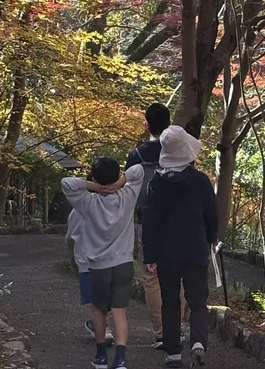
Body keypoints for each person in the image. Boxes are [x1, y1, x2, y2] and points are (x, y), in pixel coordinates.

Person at [143, 126, 218, 369]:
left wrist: (149, 255)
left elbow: (150, 221)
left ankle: (173, 352)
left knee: (171, 301)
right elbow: (211, 214)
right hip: (195, 247)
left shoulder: (156, 183)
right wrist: (211, 238)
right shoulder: (200, 180)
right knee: (197, 300)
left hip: (166, 252)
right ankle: (198, 343)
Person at [62, 158, 144, 369]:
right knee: (120, 311)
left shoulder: (87, 203)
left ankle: (100, 356)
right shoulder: (128, 197)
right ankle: (121, 358)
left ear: (95, 177)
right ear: (117, 175)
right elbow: (138, 170)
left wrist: (94, 186)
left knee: (99, 310)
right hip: (124, 262)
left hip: (98, 265)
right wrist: (120, 182)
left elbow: (67, 183)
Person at [125, 102, 171, 348]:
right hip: (177, 220)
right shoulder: (179, 151)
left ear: (147, 124)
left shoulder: (137, 154)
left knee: (152, 275)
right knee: (176, 273)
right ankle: (177, 328)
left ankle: (161, 332)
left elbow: (127, 187)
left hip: (147, 218)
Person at [66, 207, 115, 345]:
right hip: (109, 259)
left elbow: (70, 237)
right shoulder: (110, 207)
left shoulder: (76, 211)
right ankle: (103, 326)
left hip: (86, 260)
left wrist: (73, 251)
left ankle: (102, 328)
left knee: (95, 299)